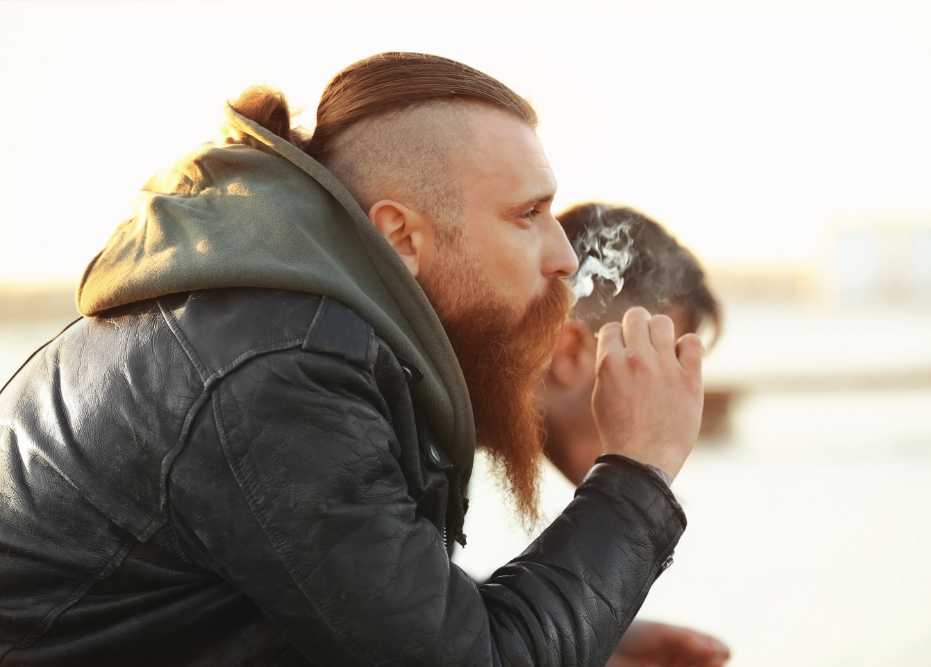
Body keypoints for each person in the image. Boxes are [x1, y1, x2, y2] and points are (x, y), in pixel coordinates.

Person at [0, 53, 704, 666]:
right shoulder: (282, 369)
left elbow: (355, 613)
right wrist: (637, 471)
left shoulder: (279, 325)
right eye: (528, 214)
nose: (565, 254)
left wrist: (588, 638)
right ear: (401, 235)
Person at [540, 203, 729, 667]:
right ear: (568, 353)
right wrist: (640, 471)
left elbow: (431, 626)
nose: (672, 405)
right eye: (654, 367)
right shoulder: (405, 428)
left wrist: (587, 640)